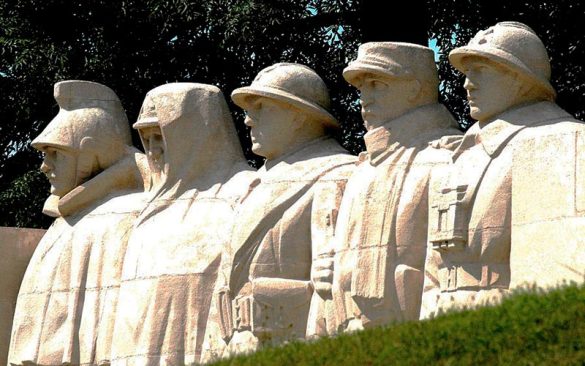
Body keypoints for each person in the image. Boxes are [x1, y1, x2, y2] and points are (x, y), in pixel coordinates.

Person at [421, 21, 585, 318]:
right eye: (467, 73)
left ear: (520, 78)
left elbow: (558, 268)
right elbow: (434, 267)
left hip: (500, 319)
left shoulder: (561, 141)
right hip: (442, 320)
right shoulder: (459, 156)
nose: (467, 84)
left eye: (481, 71)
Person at [314, 42, 461, 335]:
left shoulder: (447, 158)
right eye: (361, 88)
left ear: (414, 89)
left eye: (377, 84)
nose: (364, 98)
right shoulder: (361, 170)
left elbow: (448, 271)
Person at [212, 63, 356, 357]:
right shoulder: (254, 184)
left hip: (292, 344)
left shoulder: (338, 173)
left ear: (298, 116)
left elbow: (331, 288)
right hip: (238, 346)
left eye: (262, 107)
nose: (248, 120)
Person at [110, 83, 253, 365]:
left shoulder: (244, 190)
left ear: (195, 135)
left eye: (161, 137)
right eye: (146, 139)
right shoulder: (147, 210)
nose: (153, 151)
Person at [8, 80, 148, 365]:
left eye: (55, 153)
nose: (44, 166)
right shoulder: (67, 220)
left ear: (89, 151)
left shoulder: (124, 215)